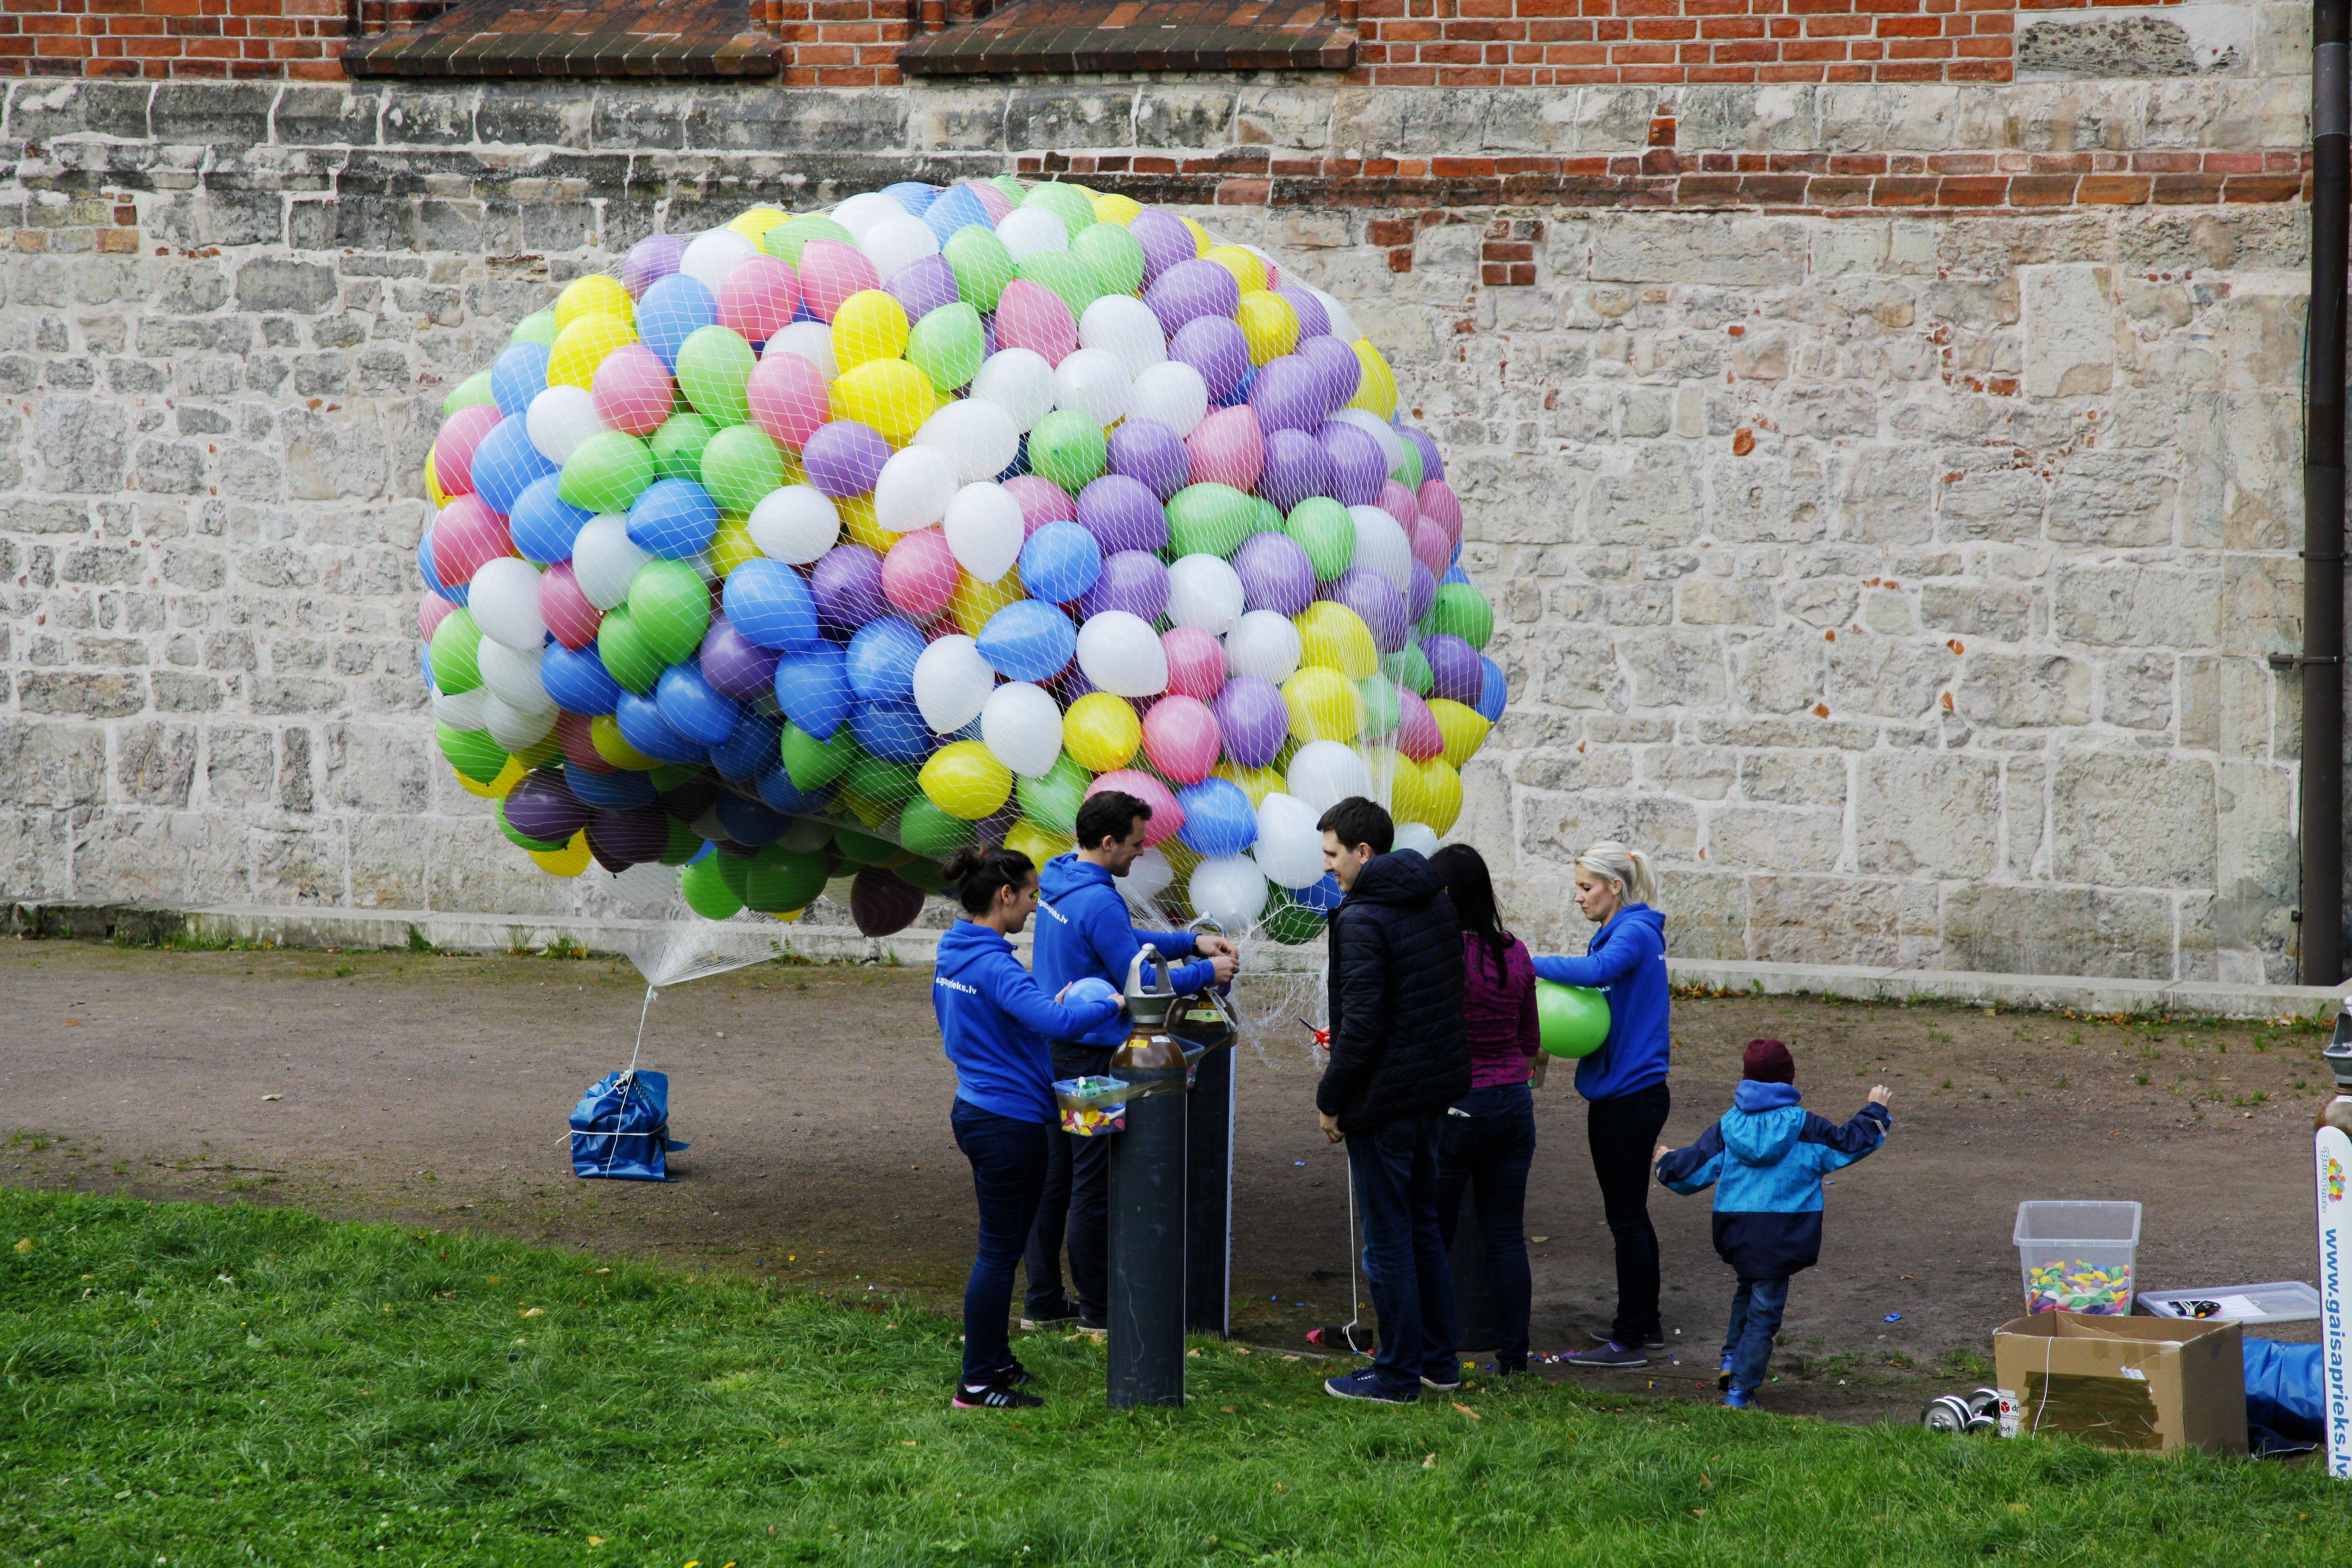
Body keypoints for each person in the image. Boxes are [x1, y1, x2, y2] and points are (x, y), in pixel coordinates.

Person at [1024, 790, 1239, 1334]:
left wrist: (1187, 943)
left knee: (1055, 1179)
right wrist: (1202, 975)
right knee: (1092, 1183)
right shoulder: (1099, 899)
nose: (1142, 853)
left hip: (1052, 1045)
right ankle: (1099, 1311)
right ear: (1108, 842)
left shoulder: (1062, 875)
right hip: (1092, 1054)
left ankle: (1044, 1303)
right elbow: (1138, 980)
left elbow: (1119, 941)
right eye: (1137, 844)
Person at [931, 843, 1125, 1410]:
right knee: (997, 1254)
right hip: (1007, 1124)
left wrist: (1043, 1006)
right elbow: (1060, 1023)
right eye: (1032, 894)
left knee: (1003, 1248)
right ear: (1005, 895)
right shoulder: (996, 965)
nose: (1036, 905)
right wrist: (1111, 1002)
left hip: (976, 1108)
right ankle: (976, 1383)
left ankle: (996, 1360)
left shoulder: (953, 951)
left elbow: (1000, 1019)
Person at [1314, 796, 1471, 1404]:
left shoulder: (1361, 919)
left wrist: (1332, 1100)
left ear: (1363, 852)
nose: (1327, 867)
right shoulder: (1432, 898)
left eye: (1332, 855)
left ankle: (1399, 1374)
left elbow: (1362, 1027)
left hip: (1385, 1101)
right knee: (1423, 1227)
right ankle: (1439, 1361)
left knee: (1388, 1243)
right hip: (1431, 1092)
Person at [1653, 1038, 1893, 1408]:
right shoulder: (1804, 1127)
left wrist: (1666, 1160)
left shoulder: (1728, 1126)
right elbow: (1849, 1144)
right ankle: (1740, 1392)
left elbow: (1692, 1172)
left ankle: (1732, 1359)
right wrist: (1874, 1110)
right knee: (1764, 1314)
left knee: (1747, 1289)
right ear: (1788, 1080)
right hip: (1783, 1234)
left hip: (1738, 1230)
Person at [1537, 840, 1675, 1370]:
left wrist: (1526, 963)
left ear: (1615, 887)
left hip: (1629, 1099)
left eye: (1586, 887)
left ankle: (1629, 1340)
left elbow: (1595, 975)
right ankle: (1647, 1322)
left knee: (1627, 1219)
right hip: (1629, 1093)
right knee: (1630, 1217)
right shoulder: (1623, 931)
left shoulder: (1634, 934)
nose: (1579, 898)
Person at [1427, 843, 1541, 1376]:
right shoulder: (1517, 952)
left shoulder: (1443, 951)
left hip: (1459, 1103)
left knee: (1433, 1233)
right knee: (1506, 1236)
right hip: (1514, 1104)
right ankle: (1514, 1359)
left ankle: (1435, 1352)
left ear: (1448, 893)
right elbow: (1530, 1039)